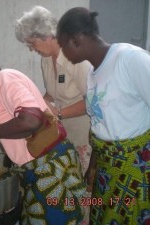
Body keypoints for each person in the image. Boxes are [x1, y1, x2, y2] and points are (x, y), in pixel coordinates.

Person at [0, 51, 86, 225]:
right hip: (48, 165)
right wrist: (12, 154)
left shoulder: (5, 79)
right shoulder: (5, 85)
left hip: (49, 171)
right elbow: (25, 127)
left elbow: (31, 120)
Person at [56, 7, 150, 225]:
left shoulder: (129, 59)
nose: (63, 53)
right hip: (107, 170)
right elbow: (100, 123)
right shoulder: (92, 75)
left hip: (134, 168)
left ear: (77, 40)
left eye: (63, 45)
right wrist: (93, 166)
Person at [14, 6, 93, 177]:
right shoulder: (46, 60)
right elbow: (52, 93)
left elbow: (94, 101)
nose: (31, 48)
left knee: (79, 179)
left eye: (32, 43)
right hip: (59, 132)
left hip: (82, 131)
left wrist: (59, 113)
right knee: (63, 178)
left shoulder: (78, 58)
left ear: (47, 35)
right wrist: (36, 106)